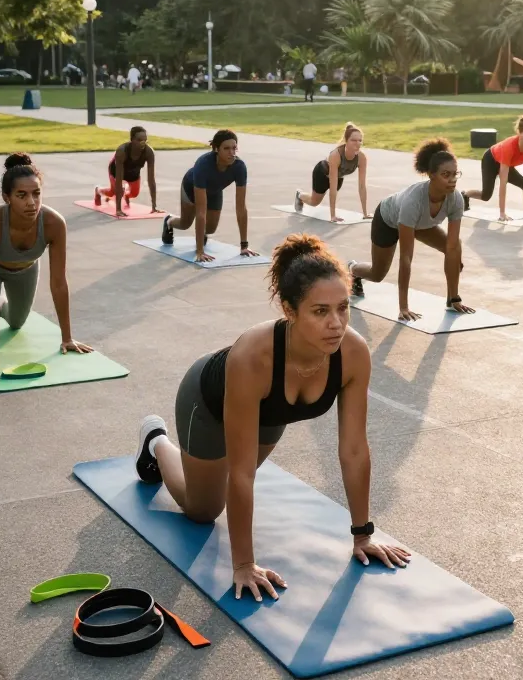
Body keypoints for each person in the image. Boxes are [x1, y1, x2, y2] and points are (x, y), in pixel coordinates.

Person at [134, 234, 410, 601]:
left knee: (231, 477)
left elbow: (355, 450)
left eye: (342, 307)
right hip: (207, 401)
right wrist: (244, 565)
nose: (336, 323)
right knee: (203, 510)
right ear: (290, 311)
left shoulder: (353, 353)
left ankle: (170, 451)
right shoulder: (254, 356)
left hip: (268, 413)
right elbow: (244, 473)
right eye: (320, 311)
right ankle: (157, 442)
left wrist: (363, 534)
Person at [0, 154, 92, 368]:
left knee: (17, 322)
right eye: (22, 195)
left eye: (36, 194)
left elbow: (58, 282)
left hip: (24, 268)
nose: (31, 202)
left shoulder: (54, 223)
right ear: (6, 197)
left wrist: (67, 338)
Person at [348, 139, 474, 322]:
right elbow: (406, 257)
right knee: (377, 274)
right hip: (387, 220)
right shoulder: (413, 201)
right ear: (431, 175)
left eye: (455, 174)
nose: (452, 180)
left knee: (454, 247)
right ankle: (352, 268)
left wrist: (455, 294)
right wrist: (404, 307)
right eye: (446, 174)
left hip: (419, 224)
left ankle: (451, 298)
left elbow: (453, 246)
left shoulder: (456, 200)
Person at [162, 130, 257, 263]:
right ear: (217, 149)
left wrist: (244, 246)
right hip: (191, 189)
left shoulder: (239, 167)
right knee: (185, 223)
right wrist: (200, 251)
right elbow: (201, 212)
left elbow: (241, 208)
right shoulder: (203, 165)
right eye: (226, 148)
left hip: (214, 191)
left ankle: (201, 235)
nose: (232, 153)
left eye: (234, 148)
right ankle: (169, 221)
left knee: (211, 228)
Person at [462, 115, 523, 222]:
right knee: (486, 196)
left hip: (506, 163)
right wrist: (502, 214)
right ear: (519, 133)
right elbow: (503, 183)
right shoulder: (510, 146)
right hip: (491, 160)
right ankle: (465, 194)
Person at [294, 123, 370, 223]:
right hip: (322, 174)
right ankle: (299, 195)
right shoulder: (336, 155)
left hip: (339, 177)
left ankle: (302, 196)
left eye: (360, 140)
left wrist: (365, 214)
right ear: (346, 141)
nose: (358, 143)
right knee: (314, 202)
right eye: (353, 140)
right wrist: (333, 216)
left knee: (332, 190)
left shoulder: (362, 157)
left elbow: (361, 186)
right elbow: (332, 187)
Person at [94, 126, 159, 218]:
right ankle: (98, 190)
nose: (143, 143)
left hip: (133, 173)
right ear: (132, 140)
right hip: (116, 171)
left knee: (134, 194)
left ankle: (126, 194)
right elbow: (119, 180)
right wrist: (118, 210)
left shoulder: (149, 152)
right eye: (139, 140)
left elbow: (151, 180)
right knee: (113, 192)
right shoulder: (122, 151)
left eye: (145, 140)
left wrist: (154, 206)